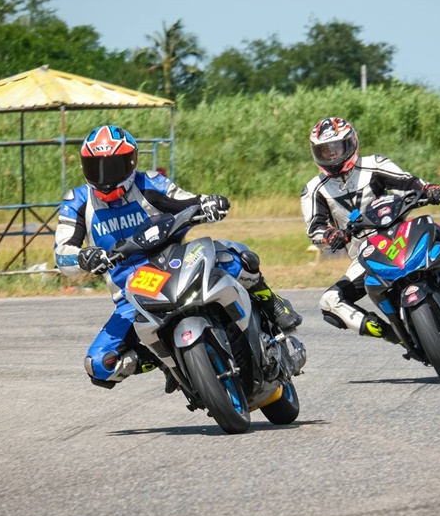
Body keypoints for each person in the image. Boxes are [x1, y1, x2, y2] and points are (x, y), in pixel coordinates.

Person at [54, 125, 302, 390]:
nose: (104, 177)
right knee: (99, 364)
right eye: (96, 167)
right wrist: (84, 258)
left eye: (113, 166)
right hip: (133, 297)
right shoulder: (77, 202)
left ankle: (273, 304)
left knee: (237, 256)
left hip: (176, 265)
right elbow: (62, 253)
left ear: (131, 162)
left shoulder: (149, 183)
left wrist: (208, 204)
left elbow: (186, 201)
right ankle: (162, 359)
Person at [300, 116, 440, 345]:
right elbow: (315, 228)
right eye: (324, 151)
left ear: (351, 143)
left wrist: (429, 189)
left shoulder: (374, 164)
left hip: (402, 235)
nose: (331, 156)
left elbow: (408, 183)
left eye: (336, 148)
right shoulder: (313, 190)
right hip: (367, 255)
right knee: (330, 301)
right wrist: (330, 236)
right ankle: (395, 334)